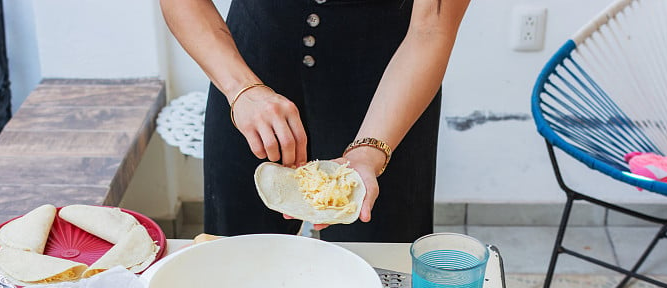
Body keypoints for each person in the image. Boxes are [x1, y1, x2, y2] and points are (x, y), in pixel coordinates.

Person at [159, 0, 471, 242]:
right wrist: (242, 89)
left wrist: (368, 151)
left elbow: (432, 29)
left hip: (389, 90)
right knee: (234, 262)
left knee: (379, 278)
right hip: (251, 68)